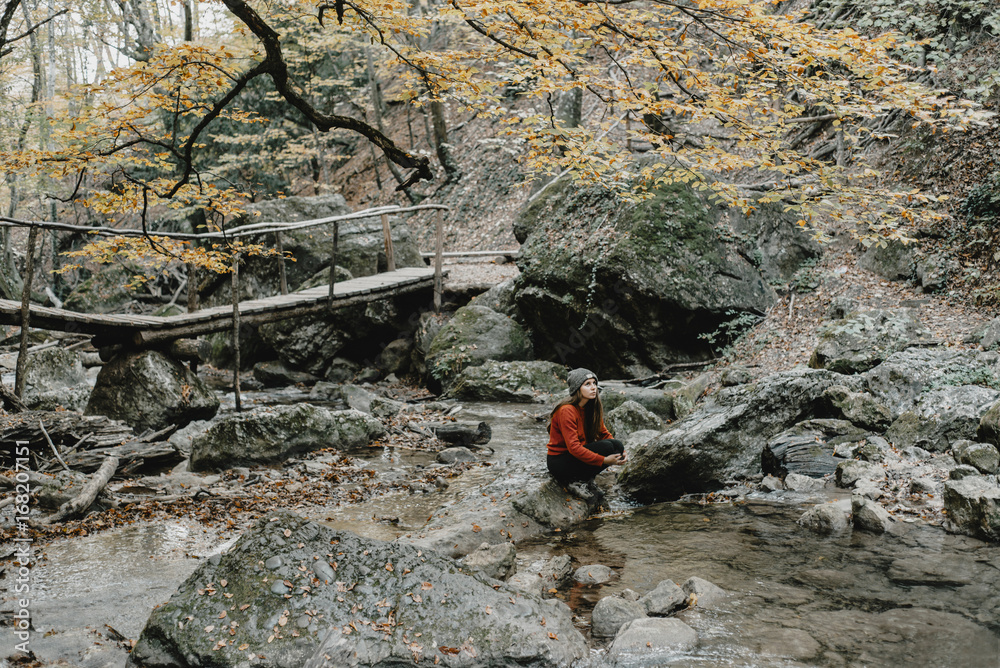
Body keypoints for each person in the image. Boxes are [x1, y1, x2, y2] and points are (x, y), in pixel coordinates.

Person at [546, 368, 626, 501]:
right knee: (607, 447)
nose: (593, 387)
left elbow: (604, 434)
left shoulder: (591, 407)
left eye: (594, 383)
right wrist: (604, 461)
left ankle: (586, 479)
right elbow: (574, 448)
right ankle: (575, 481)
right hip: (560, 462)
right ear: (577, 388)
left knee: (616, 445)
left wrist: (622, 452)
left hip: (575, 458)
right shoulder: (566, 410)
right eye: (587, 384)